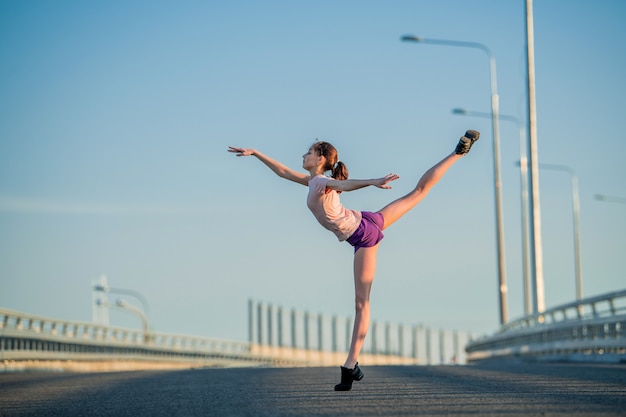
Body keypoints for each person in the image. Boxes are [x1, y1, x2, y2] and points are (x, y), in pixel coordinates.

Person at [228, 129, 479, 391]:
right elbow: (282, 172)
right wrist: (255, 153)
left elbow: (344, 185)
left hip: (363, 235)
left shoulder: (318, 182)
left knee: (362, 304)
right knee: (417, 192)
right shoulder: (313, 180)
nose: (303, 155)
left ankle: (350, 366)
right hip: (364, 219)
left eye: (309, 152)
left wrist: (372, 181)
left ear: (321, 158)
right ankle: (457, 153)